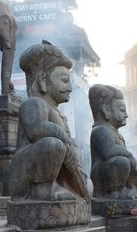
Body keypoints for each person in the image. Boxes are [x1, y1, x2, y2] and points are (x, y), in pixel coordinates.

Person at [8, 41, 90, 202]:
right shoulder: (33, 104)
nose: (71, 88)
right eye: (65, 81)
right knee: (53, 144)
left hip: (52, 173)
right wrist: (65, 139)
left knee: (87, 183)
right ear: (42, 80)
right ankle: (42, 190)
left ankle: (61, 188)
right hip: (26, 175)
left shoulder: (56, 111)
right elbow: (37, 131)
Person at [89, 84, 137, 200]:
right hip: (101, 175)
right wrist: (130, 155)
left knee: (134, 164)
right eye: (122, 110)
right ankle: (114, 194)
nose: (126, 115)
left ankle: (127, 189)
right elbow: (108, 151)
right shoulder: (101, 130)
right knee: (120, 161)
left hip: (116, 174)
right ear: (106, 110)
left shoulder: (117, 133)